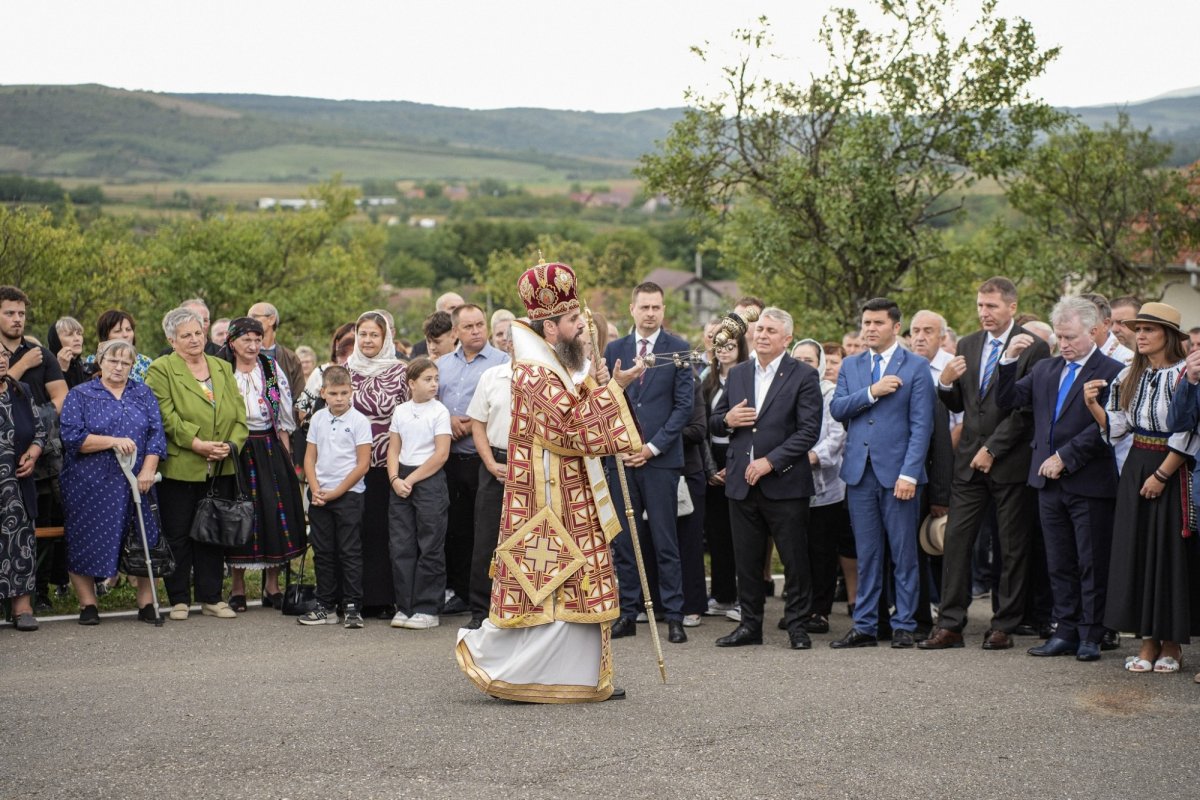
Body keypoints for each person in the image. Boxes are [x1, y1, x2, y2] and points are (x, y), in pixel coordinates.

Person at [457, 260, 646, 702]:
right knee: (552, 586)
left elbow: (568, 411)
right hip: (551, 497)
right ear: (551, 328)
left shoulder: (547, 366)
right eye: (574, 321)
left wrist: (604, 386)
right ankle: (514, 672)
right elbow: (570, 430)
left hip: (565, 490)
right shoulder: (534, 372)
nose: (582, 327)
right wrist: (612, 392)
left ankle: (579, 677)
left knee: (566, 587)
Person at [921, 277, 1050, 651]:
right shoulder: (969, 343)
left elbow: (1025, 410)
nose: (984, 313)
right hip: (968, 464)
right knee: (957, 542)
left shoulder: (1034, 347)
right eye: (980, 305)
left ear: (1011, 307)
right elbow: (963, 404)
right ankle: (950, 625)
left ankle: (1004, 625)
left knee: (1011, 545)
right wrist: (945, 385)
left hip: (1008, 461)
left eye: (991, 306)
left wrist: (992, 449)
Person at [996, 296, 1124, 662]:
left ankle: (1091, 634)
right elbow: (1007, 400)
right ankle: (1064, 630)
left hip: (1090, 482)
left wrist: (1065, 457)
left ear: (1093, 332)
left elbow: (1109, 427)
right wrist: (1008, 360)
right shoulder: (1046, 370)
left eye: (1071, 337)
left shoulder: (1112, 370)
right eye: (1059, 337)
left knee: (1091, 562)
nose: (1064, 344)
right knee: (1059, 561)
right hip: (1047, 484)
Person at [1088, 302, 1199, 674]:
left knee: (1168, 553)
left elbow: (1188, 431)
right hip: (1137, 462)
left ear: (1167, 335)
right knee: (1138, 551)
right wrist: (1093, 406)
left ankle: (1171, 644)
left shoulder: (1186, 375)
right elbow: (1116, 428)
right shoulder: (1127, 376)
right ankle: (1148, 642)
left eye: (1148, 330)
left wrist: (1163, 475)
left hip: (1171, 465)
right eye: (1138, 330)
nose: (1140, 336)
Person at [710, 307, 822, 650]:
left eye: (771, 331)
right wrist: (727, 419)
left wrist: (770, 463)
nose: (761, 335)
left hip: (785, 483)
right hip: (742, 484)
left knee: (794, 559)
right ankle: (750, 626)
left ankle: (798, 627)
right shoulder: (740, 373)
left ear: (787, 338)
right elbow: (714, 422)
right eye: (759, 330)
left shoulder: (803, 374)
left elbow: (808, 432)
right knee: (746, 559)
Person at [830, 298, 934, 649]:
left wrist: (909, 474)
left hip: (900, 477)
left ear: (895, 327)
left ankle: (904, 624)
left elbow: (922, 427)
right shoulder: (852, 365)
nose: (869, 329)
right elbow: (837, 408)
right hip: (860, 474)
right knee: (867, 553)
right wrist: (872, 392)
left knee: (904, 554)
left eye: (877, 323)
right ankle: (866, 626)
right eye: (866, 323)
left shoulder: (916, 367)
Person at [604, 282, 693, 645]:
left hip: (660, 461)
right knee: (625, 541)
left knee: (664, 539)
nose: (651, 313)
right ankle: (628, 611)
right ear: (632, 309)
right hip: (622, 459)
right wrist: (622, 446)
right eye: (645, 307)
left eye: (656, 307)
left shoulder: (678, 349)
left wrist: (652, 448)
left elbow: (683, 406)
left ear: (663, 310)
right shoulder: (614, 349)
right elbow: (606, 400)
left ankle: (674, 615)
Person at [145, 307, 248, 621]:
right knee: (178, 533)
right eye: (185, 335)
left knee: (213, 532)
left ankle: (211, 597)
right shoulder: (161, 369)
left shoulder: (220, 367)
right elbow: (165, 416)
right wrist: (198, 444)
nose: (194, 340)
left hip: (221, 465)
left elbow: (240, 415)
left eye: (197, 333)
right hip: (182, 466)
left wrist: (230, 446)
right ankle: (178, 598)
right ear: (171, 340)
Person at [60, 340, 167, 625]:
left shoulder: (142, 393)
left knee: (143, 541)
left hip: (137, 482)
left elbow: (157, 435)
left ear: (133, 366)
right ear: (100, 361)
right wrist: (112, 442)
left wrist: (148, 470)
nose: (119, 367)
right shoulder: (81, 394)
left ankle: (146, 603)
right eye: (113, 361)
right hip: (90, 482)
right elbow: (72, 437)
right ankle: (88, 604)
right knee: (85, 539)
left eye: (125, 363)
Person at [220, 317, 307, 611]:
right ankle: (238, 588)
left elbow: (283, 416)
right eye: (247, 340)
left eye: (258, 340)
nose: (254, 346)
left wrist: (285, 456)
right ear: (232, 342)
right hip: (236, 448)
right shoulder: (222, 371)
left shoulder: (270, 369)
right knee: (239, 515)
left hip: (268, 445)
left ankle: (272, 586)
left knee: (274, 514)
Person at [437, 304, 509, 618]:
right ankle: (458, 591)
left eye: (480, 324)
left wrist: (467, 424)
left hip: (482, 457)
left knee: (483, 529)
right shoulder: (441, 365)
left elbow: (494, 409)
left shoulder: (502, 363)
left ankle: (486, 595)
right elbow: (432, 403)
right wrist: (447, 420)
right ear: (456, 332)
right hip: (447, 457)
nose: (476, 330)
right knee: (454, 528)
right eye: (468, 327)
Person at [1, 287, 67, 611]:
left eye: (21, 314)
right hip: (4, 458)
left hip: (42, 452)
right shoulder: (27, 357)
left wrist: (38, 429)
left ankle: (38, 594)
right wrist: (22, 363)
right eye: (9, 313)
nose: (17, 319)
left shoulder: (42, 354)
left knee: (39, 524)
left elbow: (61, 398)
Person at [344, 310, 409, 616]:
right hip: (351, 464)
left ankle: (382, 599)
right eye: (363, 334)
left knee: (383, 531)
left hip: (387, 464)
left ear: (385, 339)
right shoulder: (345, 370)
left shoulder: (400, 371)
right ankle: (354, 599)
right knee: (354, 531)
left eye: (374, 335)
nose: (368, 340)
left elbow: (410, 416)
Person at [299, 365, 372, 628]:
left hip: (348, 495)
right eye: (334, 393)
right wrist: (315, 487)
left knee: (349, 551)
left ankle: (352, 606)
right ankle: (325, 606)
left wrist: (337, 492)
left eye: (344, 392)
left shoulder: (359, 421)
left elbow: (363, 464)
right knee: (323, 551)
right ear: (323, 393)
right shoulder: (318, 418)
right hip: (320, 495)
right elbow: (310, 456)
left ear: (352, 391)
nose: (340, 398)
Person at [386, 357, 452, 630]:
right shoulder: (401, 411)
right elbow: (393, 449)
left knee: (430, 544)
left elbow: (441, 454)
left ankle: (428, 607)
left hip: (428, 479)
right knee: (401, 544)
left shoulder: (440, 412)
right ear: (411, 383)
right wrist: (394, 478)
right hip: (401, 478)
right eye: (427, 379)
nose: (434, 384)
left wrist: (409, 479)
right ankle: (406, 605)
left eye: (436, 378)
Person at [790, 339, 847, 634]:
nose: (802, 365)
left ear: (820, 363)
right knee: (796, 550)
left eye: (808, 360)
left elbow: (836, 437)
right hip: (790, 485)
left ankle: (820, 611)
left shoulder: (831, 393)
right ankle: (799, 608)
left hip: (825, 485)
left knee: (821, 550)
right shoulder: (785, 392)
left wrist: (808, 458)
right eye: (797, 359)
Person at [464, 320, 516, 629]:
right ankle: (480, 610)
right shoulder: (492, 376)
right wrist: (489, 463)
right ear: (507, 345)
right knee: (485, 538)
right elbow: (477, 424)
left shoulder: (547, 379)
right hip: (494, 462)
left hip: (531, 465)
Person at [701, 331, 748, 618]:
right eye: (720, 346)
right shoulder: (707, 382)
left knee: (741, 534)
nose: (725, 351)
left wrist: (737, 464)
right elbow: (703, 423)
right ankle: (722, 594)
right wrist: (709, 467)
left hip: (740, 458)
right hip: (712, 458)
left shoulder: (747, 380)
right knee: (717, 532)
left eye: (731, 346)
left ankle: (746, 597)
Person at [0, 347, 45, 631]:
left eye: (3, 356)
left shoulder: (21, 390)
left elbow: (40, 430)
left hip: (16, 484)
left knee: (20, 542)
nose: (1, 360)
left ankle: (22, 608)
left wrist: (33, 452)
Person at [247, 302, 305, 409]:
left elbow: (299, 397)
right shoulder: (243, 354)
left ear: (271, 319)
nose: (249, 321)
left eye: (254, 317)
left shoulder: (290, 358)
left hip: (284, 422)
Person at [84, 310, 153, 383]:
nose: (125, 335)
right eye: (118, 331)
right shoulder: (91, 362)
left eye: (128, 330)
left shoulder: (145, 362)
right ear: (105, 336)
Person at [409, 293, 465, 358]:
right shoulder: (419, 349)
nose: (458, 312)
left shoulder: (474, 344)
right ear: (438, 312)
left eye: (461, 308)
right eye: (452, 308)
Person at [48, 317, 87, 388]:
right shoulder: (46, 368)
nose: (77, 338)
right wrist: (61, 371)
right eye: (69, 334)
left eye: (79, 333)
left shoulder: (84, 368)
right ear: (56, 340)